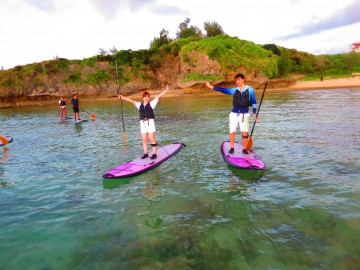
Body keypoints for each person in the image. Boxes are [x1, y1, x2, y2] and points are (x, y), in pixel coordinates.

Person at [205, 73, 257, 154]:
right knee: (232, 131)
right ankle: (232, 147)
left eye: (239, 79)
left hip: (245, 114)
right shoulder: (234, 90)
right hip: (234, 114)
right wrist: (211, 86)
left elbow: (254, 102)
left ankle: (244, 148)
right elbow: (223, 90)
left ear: (243, 79)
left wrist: (254, 113)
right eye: (236, 80)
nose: (237, 81)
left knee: (245, 133)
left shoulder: (250, 90)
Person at [118, 85, 169, 159]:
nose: (146, 98)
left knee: (152, 139)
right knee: (144, 140)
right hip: (143, 124)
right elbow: (131, 101)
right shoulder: (139, 105)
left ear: (149, 97)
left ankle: (154, 154)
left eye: (148, 96)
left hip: (150, 124)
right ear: (143, 97)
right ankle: (146, 153)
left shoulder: (152, 104)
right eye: (145, 96)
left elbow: (158, 97)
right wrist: (122, 97)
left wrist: (165, 91)